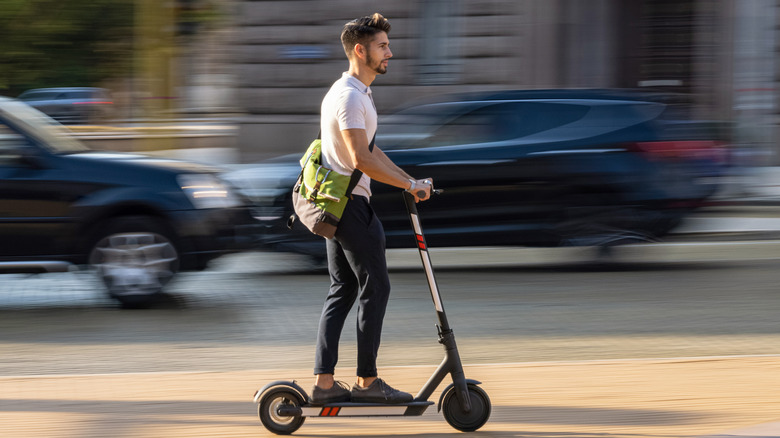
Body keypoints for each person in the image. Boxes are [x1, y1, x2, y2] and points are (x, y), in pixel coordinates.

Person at [310, 12, 433, 405]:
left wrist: (408, 181)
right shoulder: (348, 96)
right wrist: (408, 184)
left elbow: (372, 148)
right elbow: (360, 158)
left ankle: (325, 385)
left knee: (343, 288)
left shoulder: (355, 93)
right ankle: (367, 383)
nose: (390, 53)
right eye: (382, 46)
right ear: (360, 50)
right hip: (350, 206)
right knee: (375, 287)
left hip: (339, 203)